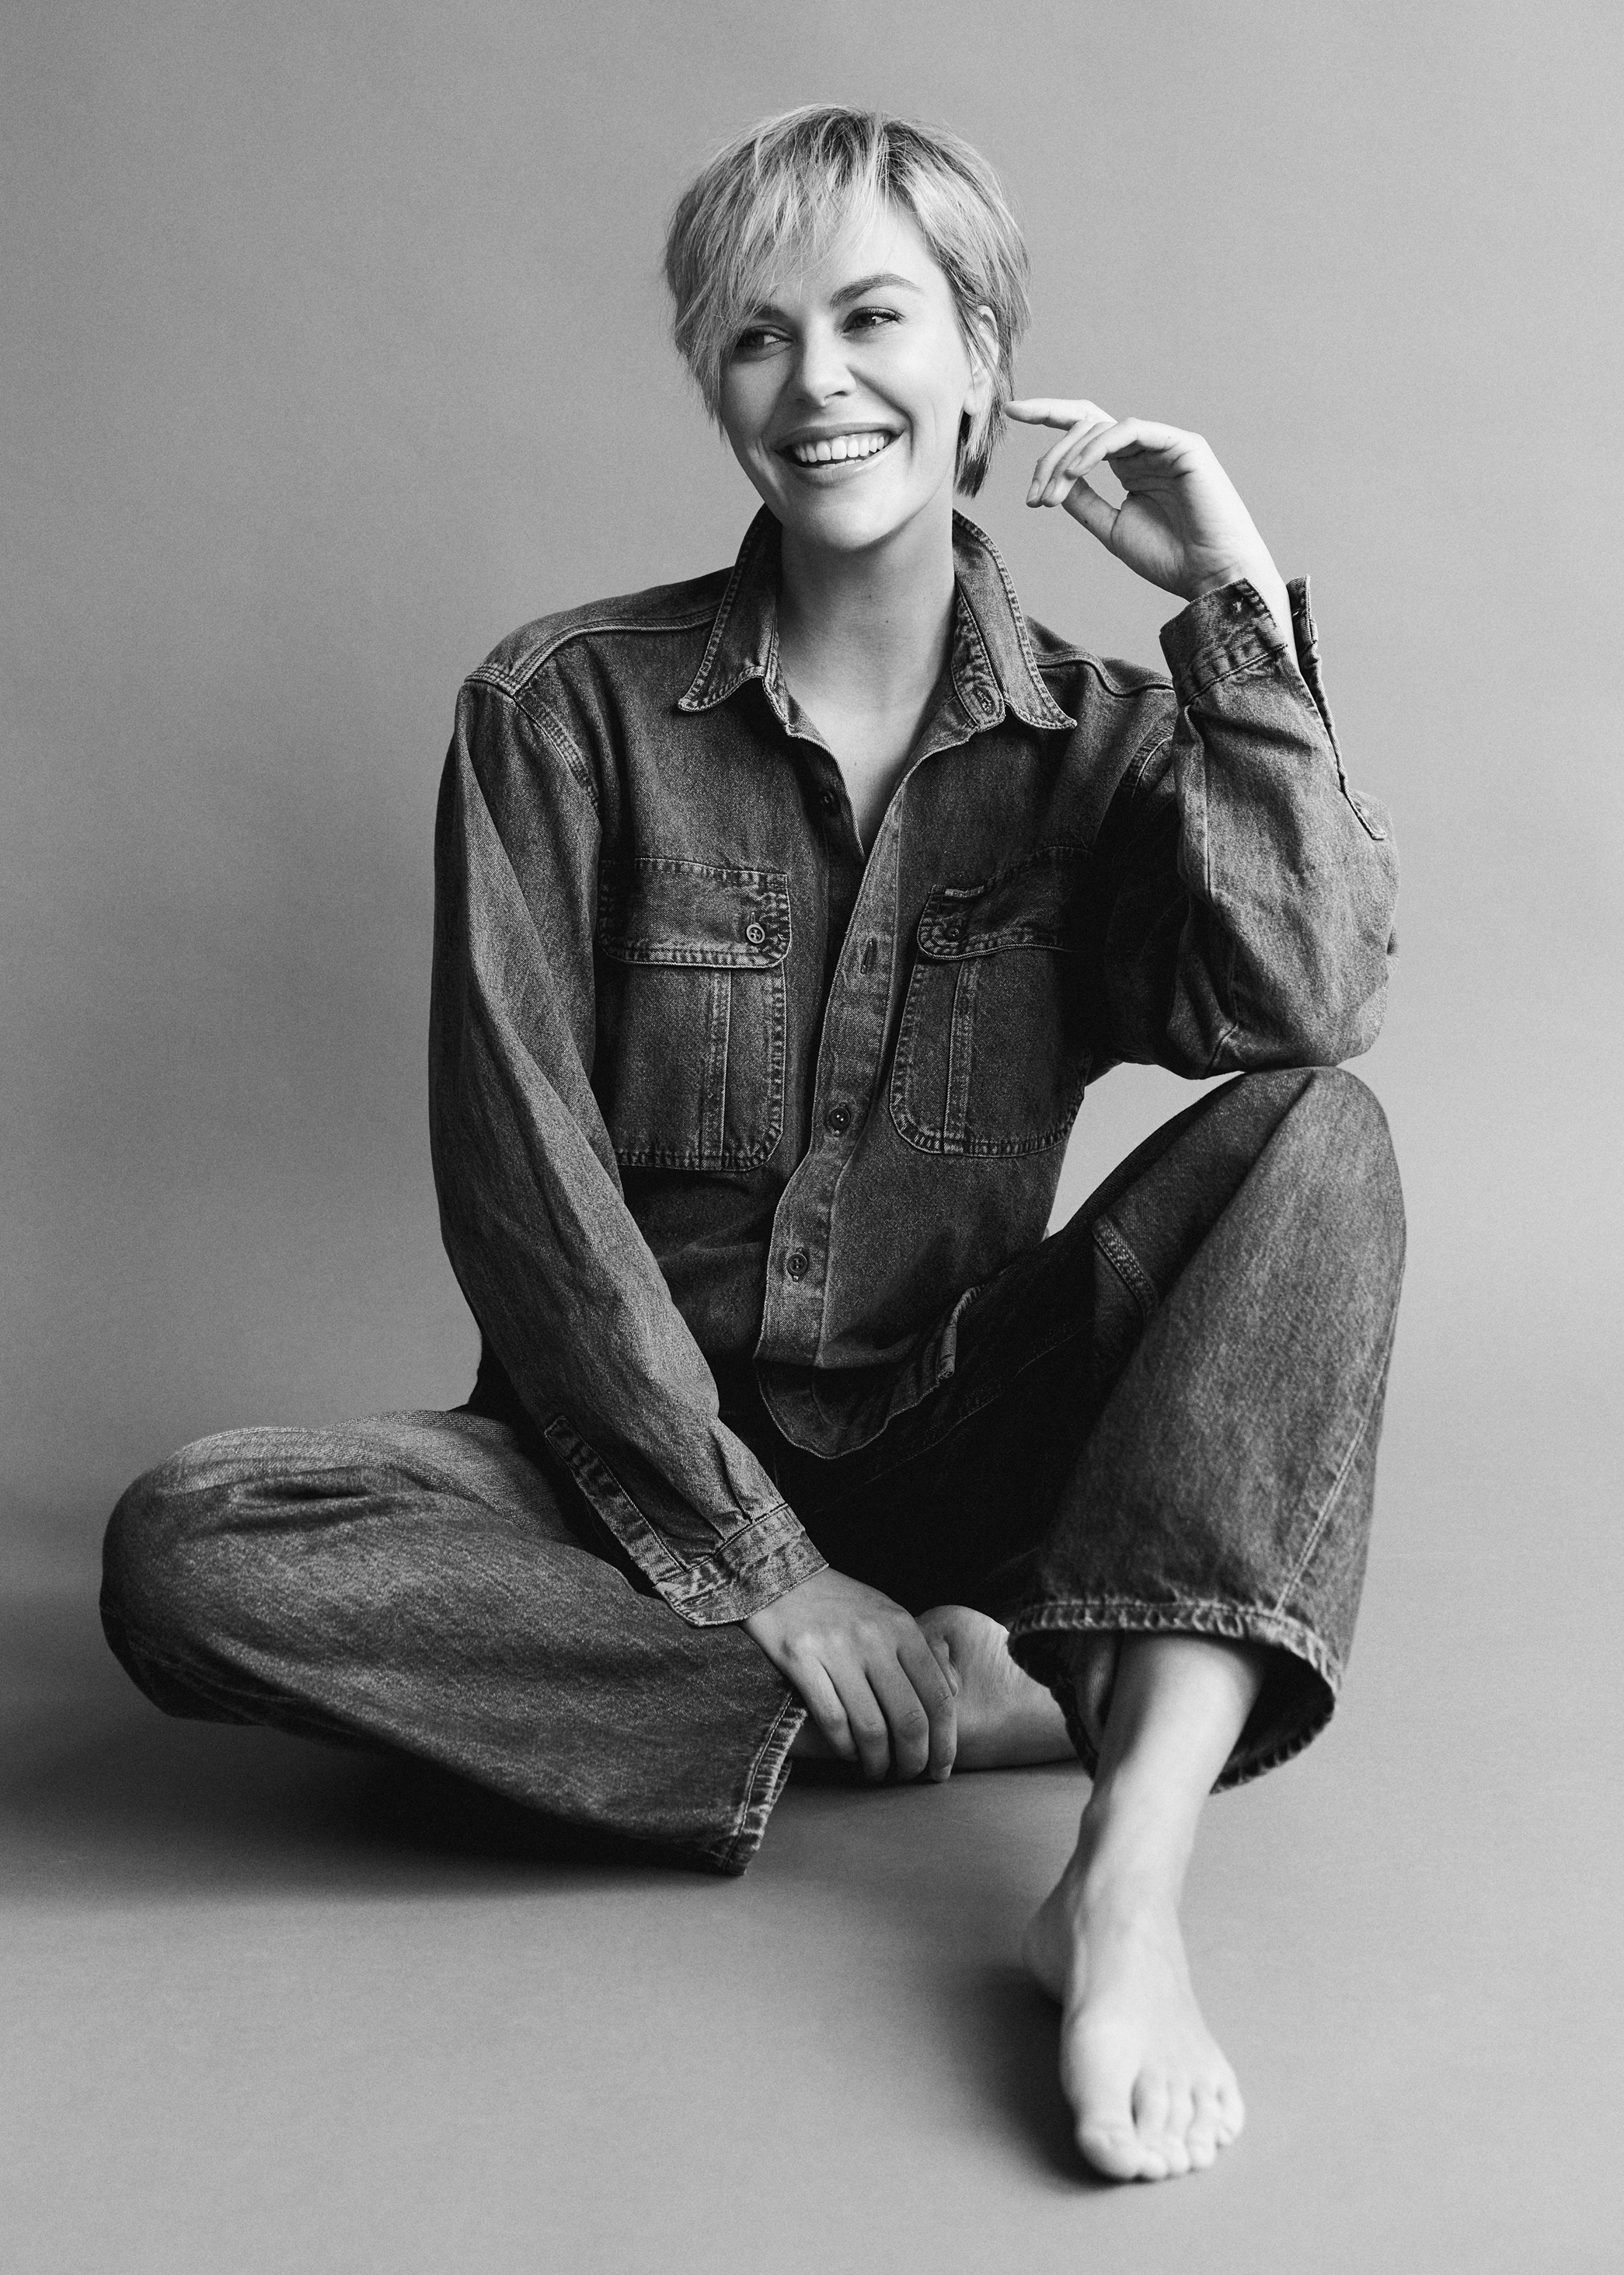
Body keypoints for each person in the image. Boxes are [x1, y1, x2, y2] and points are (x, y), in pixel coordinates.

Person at [101, 106, 1404, 2185]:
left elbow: (1301, 1001)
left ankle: (1124, 1879)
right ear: (714, 385)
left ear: (979, 359)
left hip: (957, 1439)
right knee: (191, 1546)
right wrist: (766, 1570)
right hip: (605, 1472)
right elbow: (522, 1181)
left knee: (1321, 1137)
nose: (815, 383)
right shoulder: (562, 711)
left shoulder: (1106, 746)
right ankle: (976, 1694)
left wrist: (1234, 601)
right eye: (755, 337)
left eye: (873, 318)